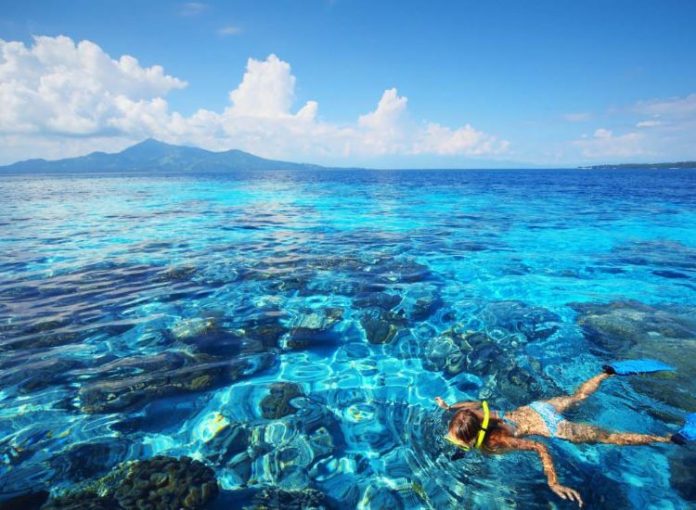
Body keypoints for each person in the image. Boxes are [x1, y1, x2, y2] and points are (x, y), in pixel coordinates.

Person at [436, 369, 680, 508]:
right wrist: (449, 407)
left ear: (473, 438)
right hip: (537, 408)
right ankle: (606, 373)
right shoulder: (478, 416)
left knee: (610, 437)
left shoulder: (495, 442)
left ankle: (667, 438)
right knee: (578, 397)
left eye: (458, 440)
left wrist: (553, 482)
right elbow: (471, 405)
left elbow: (538, 446)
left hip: (551, 427)